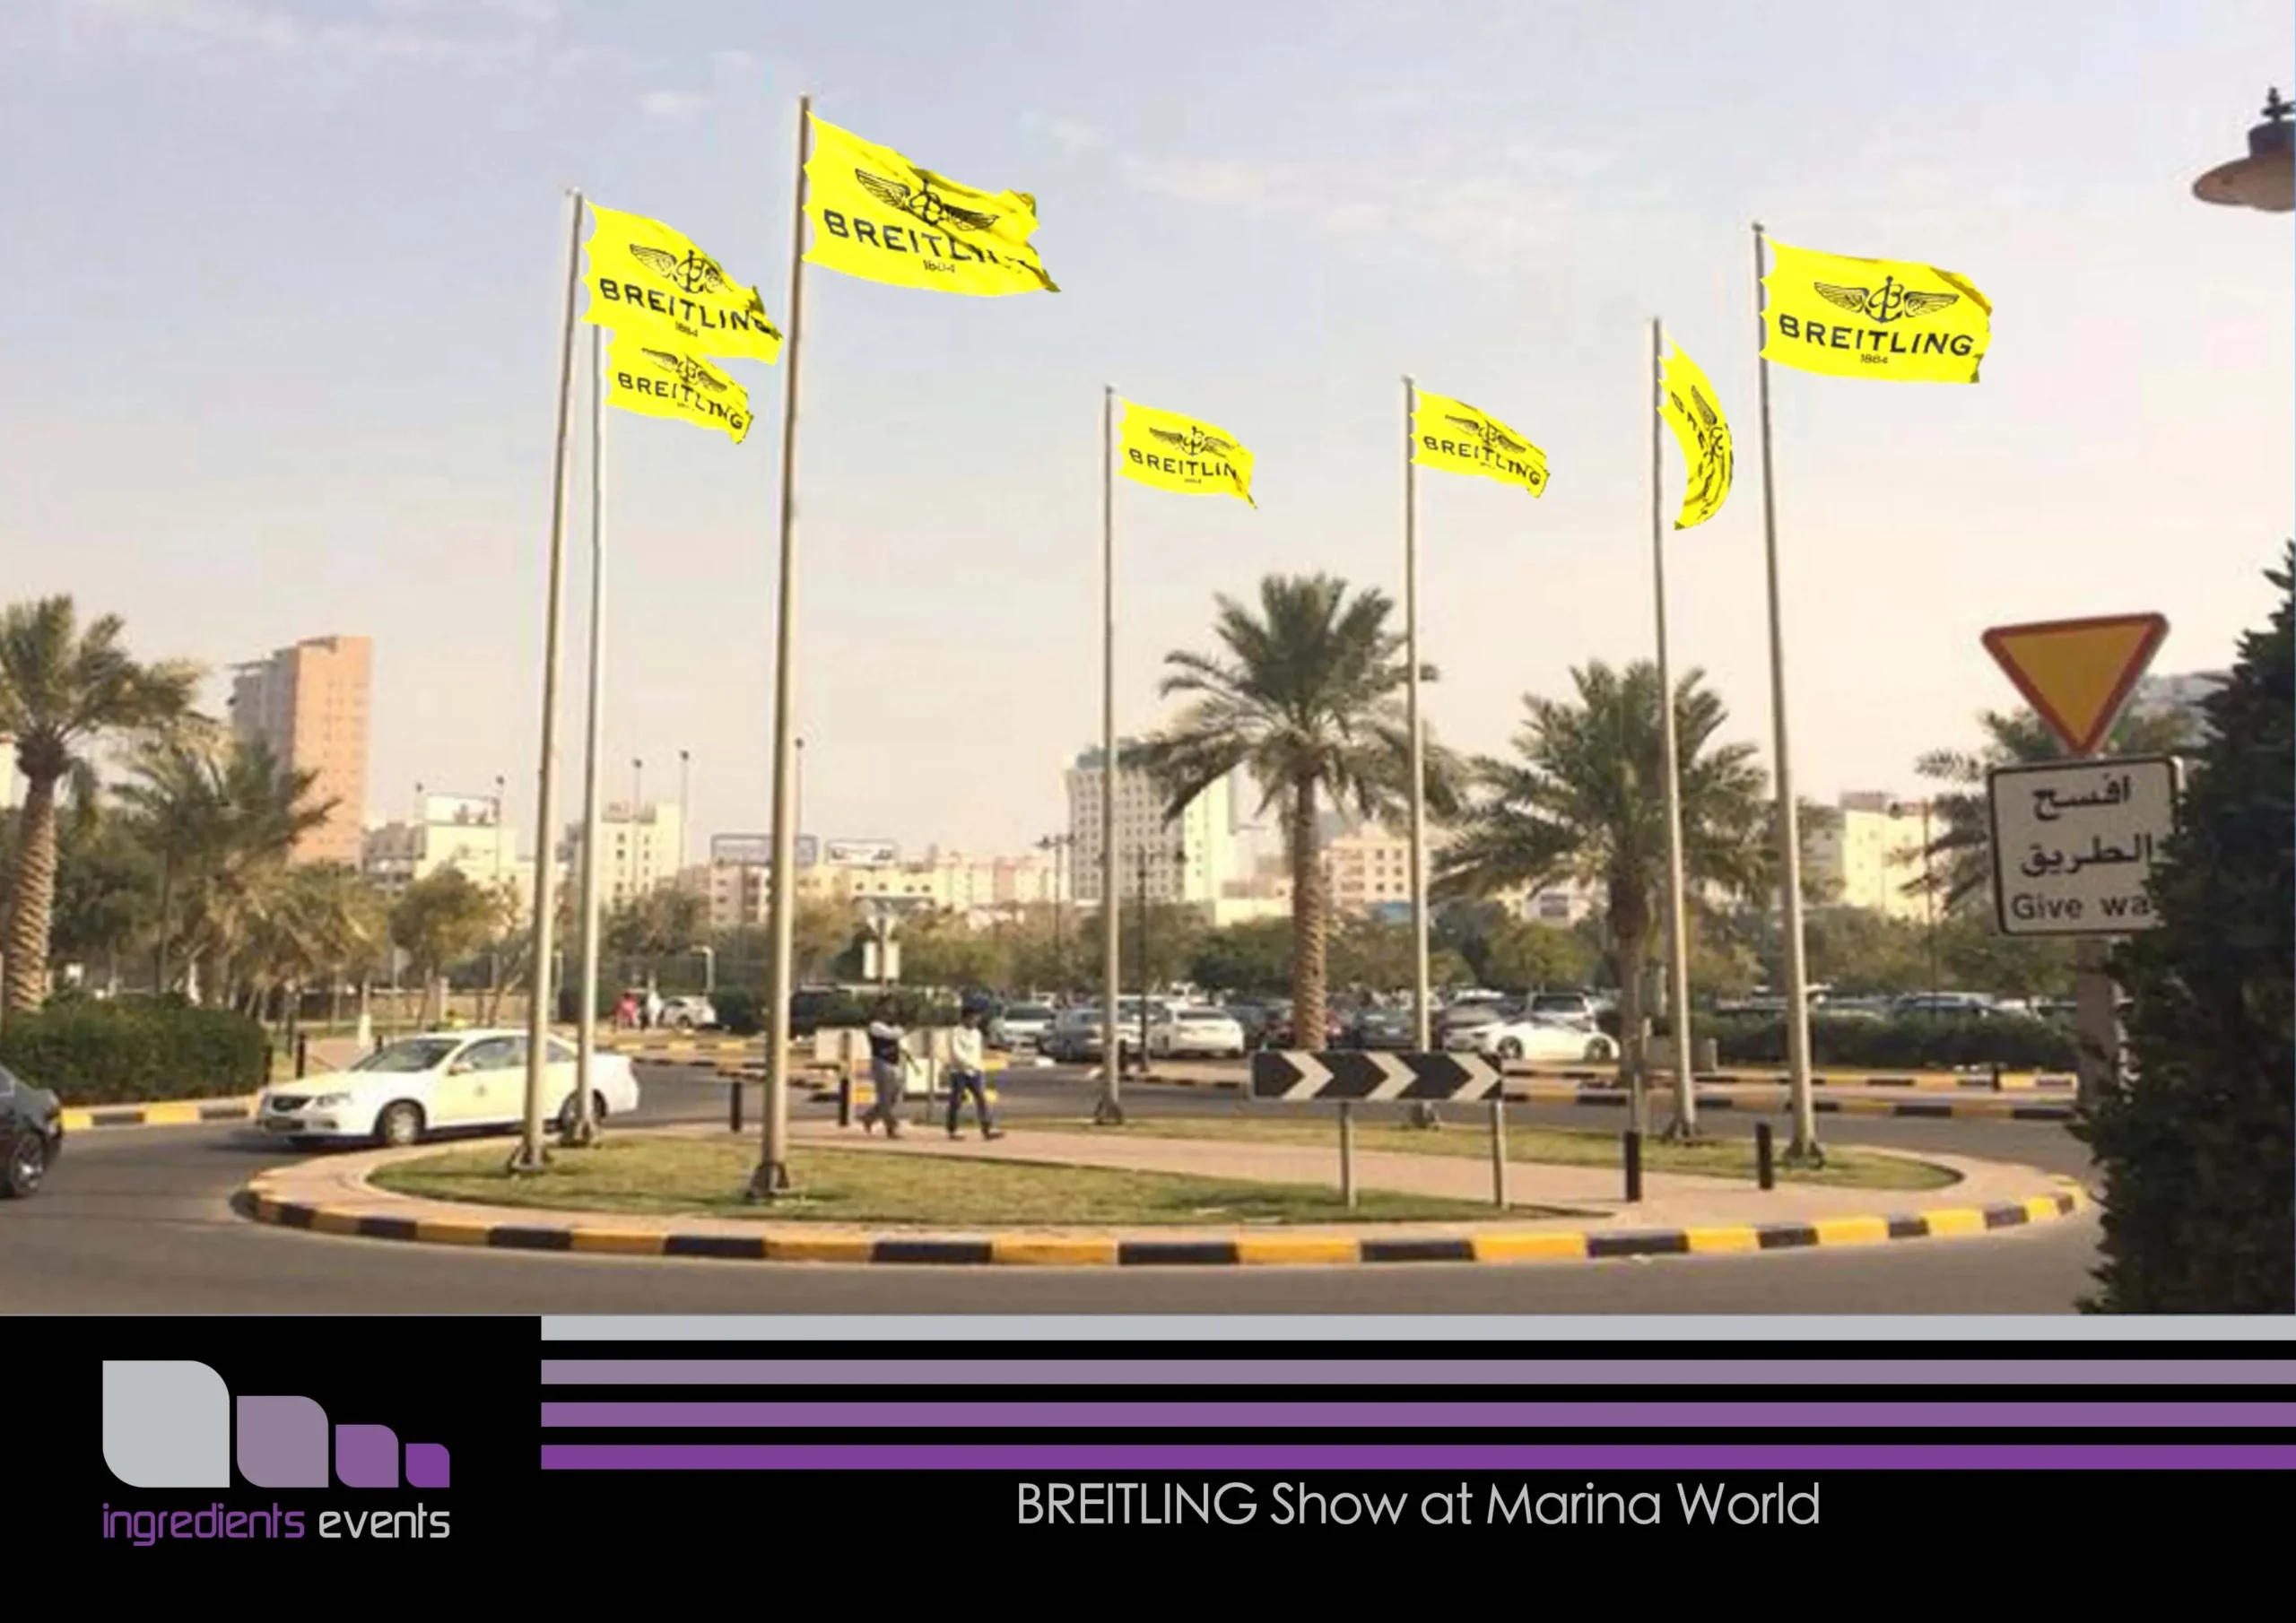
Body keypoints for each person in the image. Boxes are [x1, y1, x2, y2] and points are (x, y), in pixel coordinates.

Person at [945, 1007, 1003, 1141]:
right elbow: (956, 1052)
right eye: (972, 1018)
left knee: (981, 1098)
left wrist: (979, 1067)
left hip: (976, 1071)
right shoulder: (955, 1033)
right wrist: (967, 1064)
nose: (975, 1021)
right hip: (959, 1071)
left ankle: (987, 1128)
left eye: (977, 1019)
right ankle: (953, 1129)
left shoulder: (977, 1034)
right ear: (965, 1018)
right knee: (956, 1100)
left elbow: (977, 1052)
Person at [862, 998, 908, 1138]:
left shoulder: (892, 1025)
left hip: (894, 1063)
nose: (890, 1012)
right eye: (887, 1009)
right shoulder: (875, 1026)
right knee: (885, 1098)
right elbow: (892, 1034)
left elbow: (898, 1035)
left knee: (893, 1097)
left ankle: (869, 1117)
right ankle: (892, 1127)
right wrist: (902, 1029)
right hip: (881, 1063)